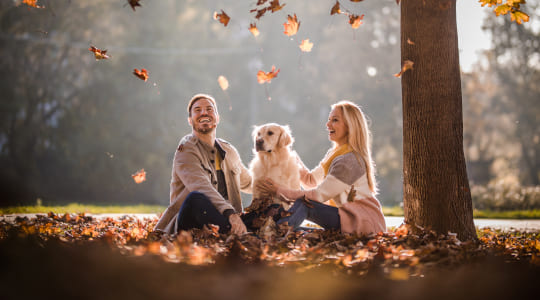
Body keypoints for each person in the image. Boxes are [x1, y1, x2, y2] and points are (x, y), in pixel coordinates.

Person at [258, 100, 386, 235]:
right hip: (347, 218)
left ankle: (272, 234)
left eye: (335, 120)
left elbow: (318, 195)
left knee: (304, 204)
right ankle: (272, 230)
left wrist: (279, 190)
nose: (328, 124)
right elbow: (310, 180)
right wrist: (291, 156)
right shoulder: (335, 154)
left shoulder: (349, 161)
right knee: (297, 231)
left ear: (350, 126)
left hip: (364, 222)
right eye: (329, 119)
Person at [154, 93, 252, 235]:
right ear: (190, 120)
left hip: (229, 221)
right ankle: (243, 234)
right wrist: (230, 213)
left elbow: (249, 183)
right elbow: (201, 186)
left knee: (276, 209)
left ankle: (245, 232)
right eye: (197, 110)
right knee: (196, 198)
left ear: (217, 118)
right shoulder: (186, 149)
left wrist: (280, 187)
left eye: (209, 109)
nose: (204, 112)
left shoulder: (228, 151)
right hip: (193, 221)